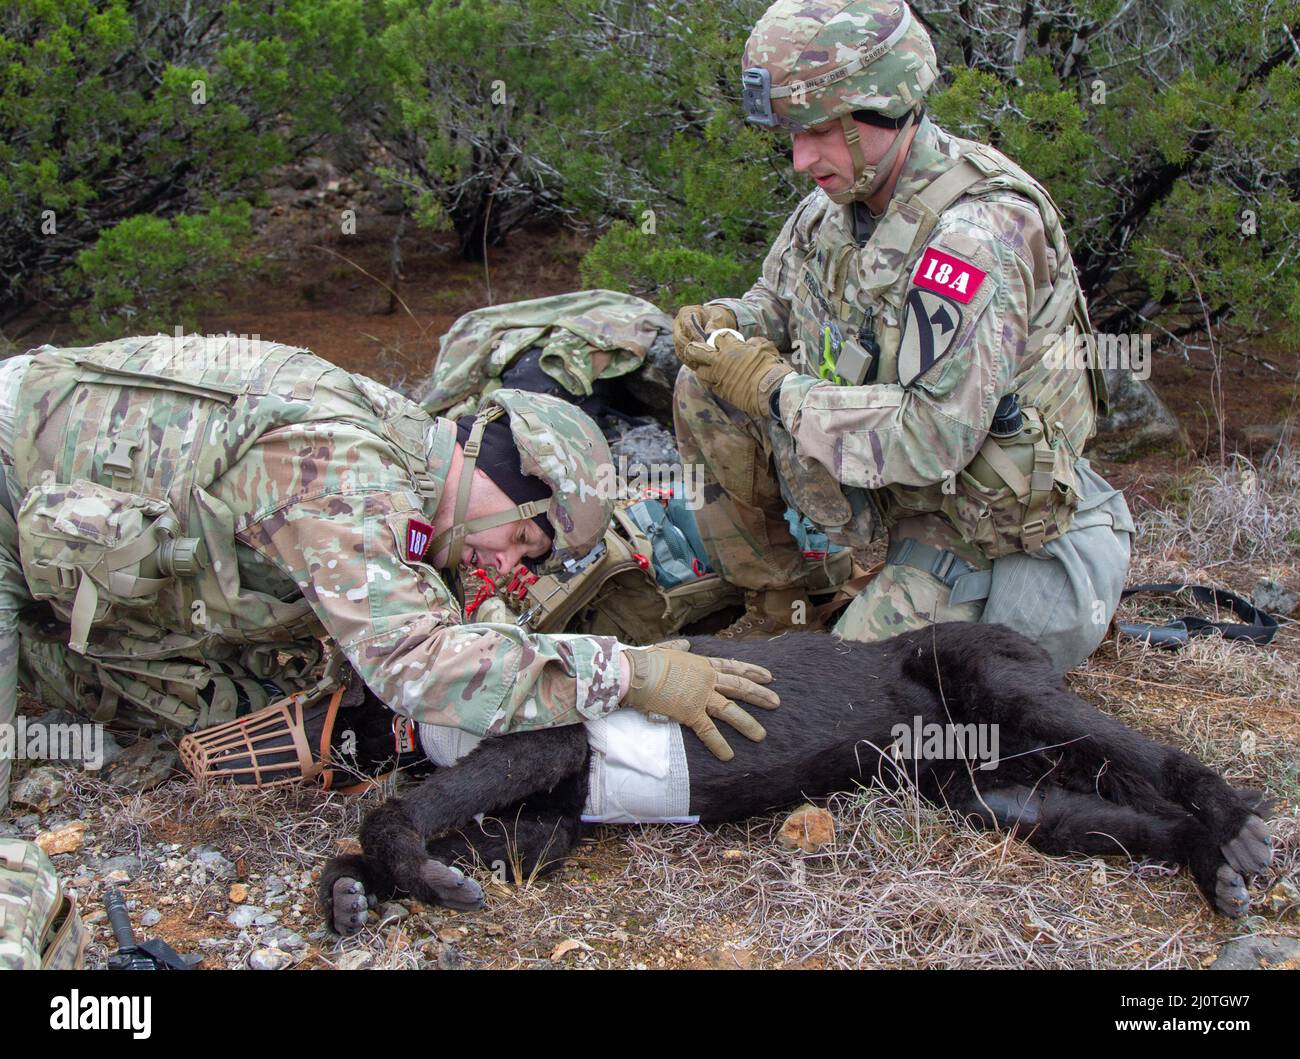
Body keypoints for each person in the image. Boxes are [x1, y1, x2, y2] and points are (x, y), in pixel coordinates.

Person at [0, 334, 777, 811]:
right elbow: (415, 664)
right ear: (504, 470)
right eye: (526, 538)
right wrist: (631, 674)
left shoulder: (399, 449)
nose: (507, 563)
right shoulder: (349, 470)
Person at [672, 0, 1134, 669]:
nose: (801, 158)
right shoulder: (833, 208)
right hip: (888, 491)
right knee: (704, 387)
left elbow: (931, 437)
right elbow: (773, 303)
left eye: (818, 131)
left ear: (884, 106)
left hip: (981, 527)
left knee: (842, 705)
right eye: (792, 134)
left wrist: (773, 388)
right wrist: (726, 325)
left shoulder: (977, 237)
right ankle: (783, 608)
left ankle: (914, 606)